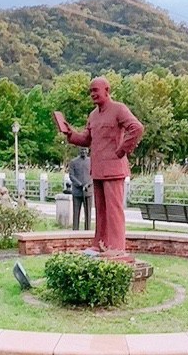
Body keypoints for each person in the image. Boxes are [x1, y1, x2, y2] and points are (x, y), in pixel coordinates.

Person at [58, 77, 144, 253]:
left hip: (113, 169)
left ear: (107, 90)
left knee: (114, 211)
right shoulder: (93, 115)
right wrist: (70, 133)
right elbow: (86, 139)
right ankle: (100, 244)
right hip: (97, 170)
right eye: (90, 91)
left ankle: (116, 248)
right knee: (101, 212)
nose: (92, 94)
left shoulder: (119, 109)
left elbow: (136, 128)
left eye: (95, 90)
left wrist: (121, 151)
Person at [68, 147, 92, 230]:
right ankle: (75, 230)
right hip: (77, 191)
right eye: (82, 149)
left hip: (88, 191)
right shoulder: (73, 162)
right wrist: (80, 184)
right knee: (76, 213)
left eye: (85, 149)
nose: (83, 151)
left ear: (88, 150)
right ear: (79, 150)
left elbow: (94, 175)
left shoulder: (91, 161)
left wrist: (88, 184)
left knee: (88, 213)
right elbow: (71, 175)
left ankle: (87, 231)